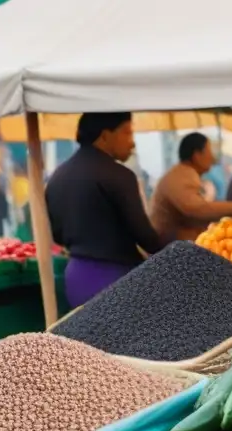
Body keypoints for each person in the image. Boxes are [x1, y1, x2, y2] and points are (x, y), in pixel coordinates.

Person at [46, 113, 166, 307]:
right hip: (115, 279)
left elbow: (57, 236)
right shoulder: (120, 176)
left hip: (76, 278)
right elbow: (146, 238)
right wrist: (177, 250)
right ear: (104, 136)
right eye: (127, 133)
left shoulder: (56, 178)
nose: (132, 143)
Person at [151, 132, 232, 243]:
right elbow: (199, 209)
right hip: (169, 250)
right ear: (197, 155)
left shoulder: (185, 173)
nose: (213, 158)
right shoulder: (180, 176)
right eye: (209, 152)